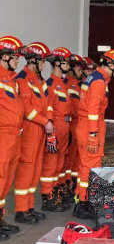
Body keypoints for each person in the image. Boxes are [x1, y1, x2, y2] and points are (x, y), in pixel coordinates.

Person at [74, 49, 114, 219]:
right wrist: (93, 134)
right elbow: (93, 110)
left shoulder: (93, 78)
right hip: (91, 127)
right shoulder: (99, 82)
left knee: (85, 166)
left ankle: (81, 200)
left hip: (86, 126)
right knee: (90, 168)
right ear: (110, 64)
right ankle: (83, 203)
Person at [14, 42, 54, 225]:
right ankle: (21, 210)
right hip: (30, 129)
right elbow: (27, 109)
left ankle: (29, 207)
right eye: (42, 61)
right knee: (26, 169)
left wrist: (49, 120)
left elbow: (48, 104)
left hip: (40, 129)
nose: (44, 65)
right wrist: (45, 122)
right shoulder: (21, 79)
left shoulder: (39, 81)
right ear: (33, 60)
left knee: (36, 169)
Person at [40, 47, 72, 212]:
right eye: (66, 62)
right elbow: (47, 108)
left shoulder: (63, 84)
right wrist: (50, 130)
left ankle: (55, 191)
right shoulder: (50, 84)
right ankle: (47, 196)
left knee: (60, 163)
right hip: (55, 126)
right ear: (58, 63)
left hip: (65, 126)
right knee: (51, 163)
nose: (69, 66)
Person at [0, 36, 25, 241]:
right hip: (2, 135)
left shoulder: (11, 78)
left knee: (6, 181)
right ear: (5, 56)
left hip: (13, 136)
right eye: (15, 57)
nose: (18, 61)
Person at [59, 54, 85, 203]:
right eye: (78, 67)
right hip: (67, 125)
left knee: (72, 159)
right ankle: (61, 186)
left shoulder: (75, 84)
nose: (80, 70)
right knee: (64, 160)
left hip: (75, 125)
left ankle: (69, 184)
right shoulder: (65, 83)